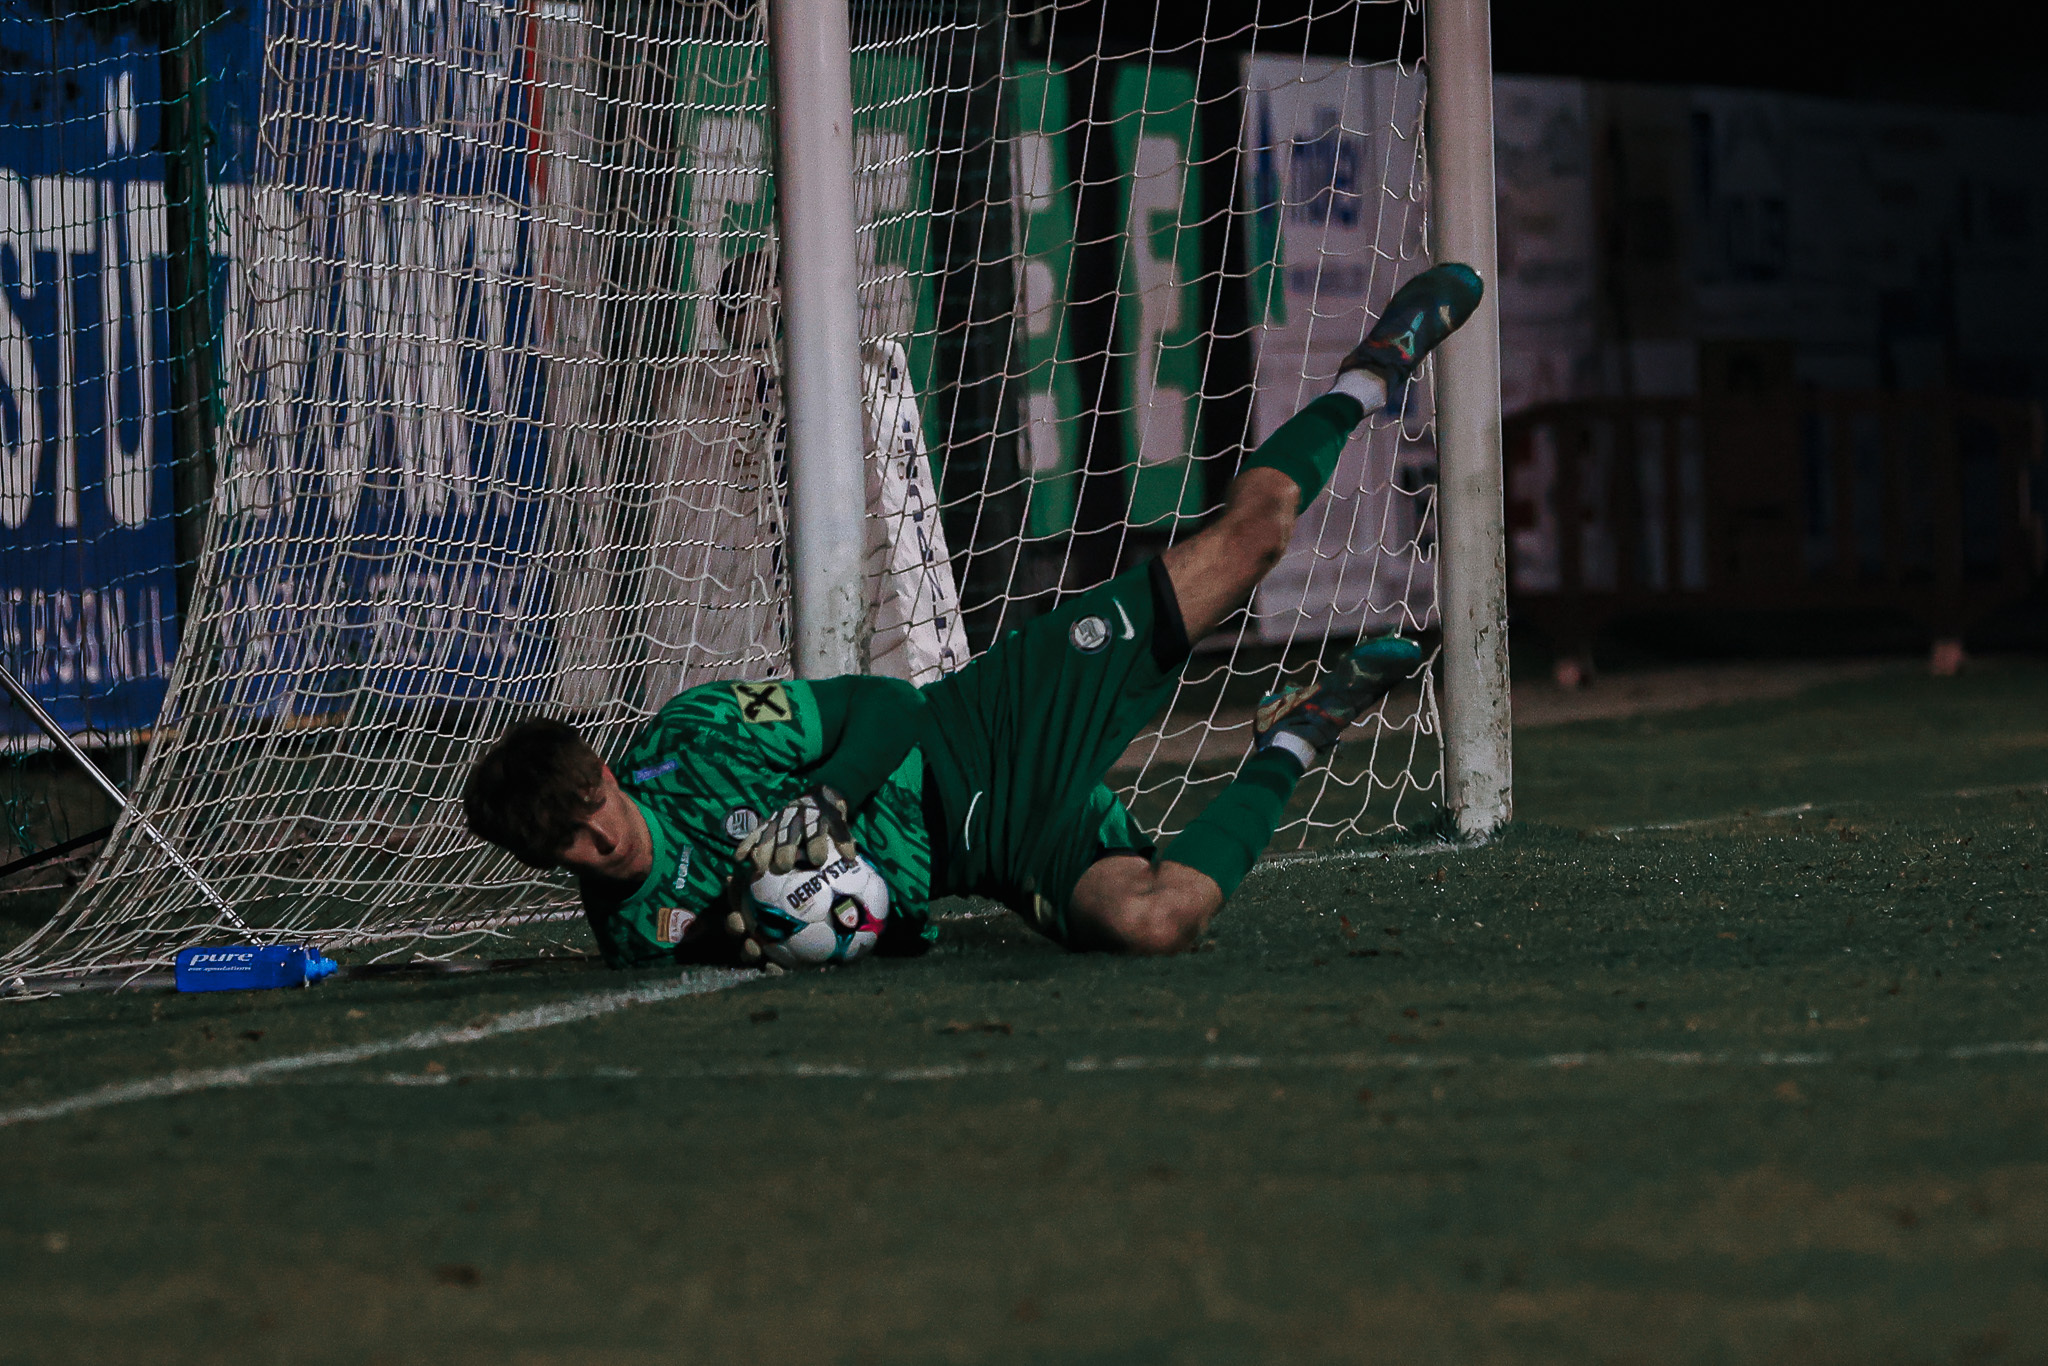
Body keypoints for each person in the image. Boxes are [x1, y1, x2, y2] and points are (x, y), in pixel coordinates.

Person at [462, 264, 1484, 966]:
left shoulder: (695, 735)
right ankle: (1294, 738)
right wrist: (803, 929)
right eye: (570, 855)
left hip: (985, 723)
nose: (601, 851)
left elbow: (886, 708)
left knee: (1254, 534)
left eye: (591, 820)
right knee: (1155, 922)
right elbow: (843, 934)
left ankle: (1369, 370)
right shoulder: (637, 933)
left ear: (603, 770)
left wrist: (824, 802)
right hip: (991, 845)